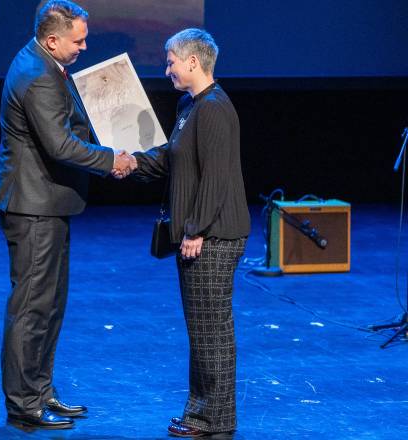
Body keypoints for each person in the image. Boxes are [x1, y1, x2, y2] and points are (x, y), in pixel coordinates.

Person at [0, 0, 134, 430]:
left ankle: (40, 389)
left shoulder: (44, 62)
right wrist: (112, 160)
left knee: (50, 305)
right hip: (33, 208)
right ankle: (23, 404)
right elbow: (60, 145)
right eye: (79, 40)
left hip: (47, 204)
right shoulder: (36, 76)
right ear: (53, 40)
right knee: (33, 307)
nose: (84, 46)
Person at [121, 28, 250, 437]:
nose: (168, 69)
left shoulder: (213, 108)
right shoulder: (189, 106)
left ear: (193, 62)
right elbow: (170, 159)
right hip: (201, 233)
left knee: (211, 330)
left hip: (213, 236)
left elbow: (216, 176)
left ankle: (216, 418)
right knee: (202, 330)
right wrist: (129, 163)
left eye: (172, 61)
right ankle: (202, 413)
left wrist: (196, 231)